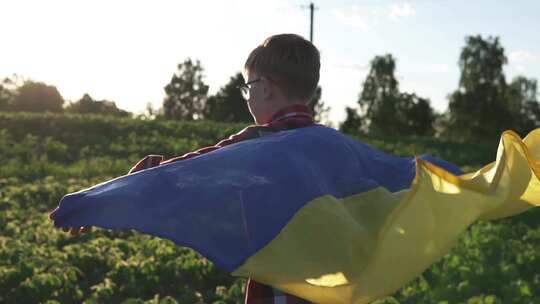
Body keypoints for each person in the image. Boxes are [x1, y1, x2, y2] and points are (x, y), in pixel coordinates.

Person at [50, 33, 319, 304]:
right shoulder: (339, 149)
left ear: (265, 88)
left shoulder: (256, 145)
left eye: (248, 88)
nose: (247, 98)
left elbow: (185, 174)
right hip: (334, 290)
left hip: (278, 293)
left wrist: (98, 202)